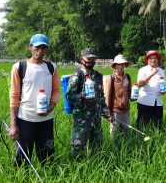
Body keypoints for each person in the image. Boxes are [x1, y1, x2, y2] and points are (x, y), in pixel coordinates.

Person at [9, 33, 60, 166]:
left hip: (46, 119)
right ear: (30, 47)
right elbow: (14, 96)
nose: (40, 50)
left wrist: (51, 106)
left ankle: (48, 176)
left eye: (43, 47)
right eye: (37, 47)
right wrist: (13, 125)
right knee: (22, 157)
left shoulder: (51, 67)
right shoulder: (19, 67)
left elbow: (56, 90)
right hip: (25, 119)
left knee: (47, 157)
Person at [66, 48, 110, 157]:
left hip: (96, 118)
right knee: (78, 147)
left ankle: (95, 167)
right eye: (89, 58)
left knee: (97, 147)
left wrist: (105, 108)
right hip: (81, 119)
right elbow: (69, 95)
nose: (91, 61)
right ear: (82, 60)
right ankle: (77, 170)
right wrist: (81, 96)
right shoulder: (77, 76)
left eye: (93, 59)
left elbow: (101, 95)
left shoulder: (98, 75)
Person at [105, 54, 134, 138]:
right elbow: (107, 96)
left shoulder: (127, 77)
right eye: (118, 64)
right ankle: (113, 148)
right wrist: (108, 112)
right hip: (115, 110)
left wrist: (133, 97)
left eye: (122, 64)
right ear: (115, 66)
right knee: (114, 132)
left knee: (127, 131)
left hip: (126, 109)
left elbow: (129, 92)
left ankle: (127, 146)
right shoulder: (111, 78)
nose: (121, 66)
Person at [137, 50, 166, 129]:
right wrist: (151, 74)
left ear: (158, 60)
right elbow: (140, 83)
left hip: (158, 102)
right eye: (151, 58)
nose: (153, 60)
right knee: (142, 125)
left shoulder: (161, 71)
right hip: (145, 101)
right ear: (147, 60)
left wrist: (164, 91)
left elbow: (164, 86)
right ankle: (140, 139)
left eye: (155, 58)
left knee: (157, 125)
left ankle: (156, 139)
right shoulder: (143, 70)